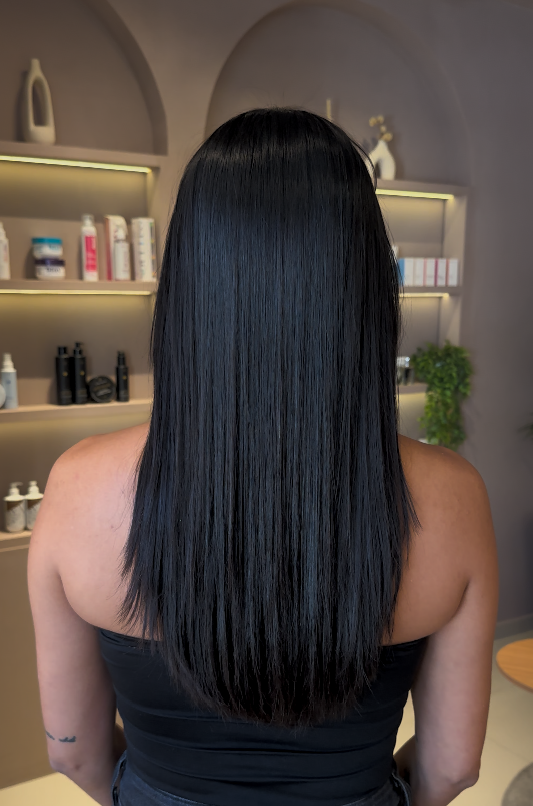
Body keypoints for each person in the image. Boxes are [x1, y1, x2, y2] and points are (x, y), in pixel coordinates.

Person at [28, 108, 498, 806]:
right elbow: (452, 767)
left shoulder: (77, 486)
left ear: (187, 280)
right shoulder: (452, 497)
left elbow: (72, 751)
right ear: (368, 284)